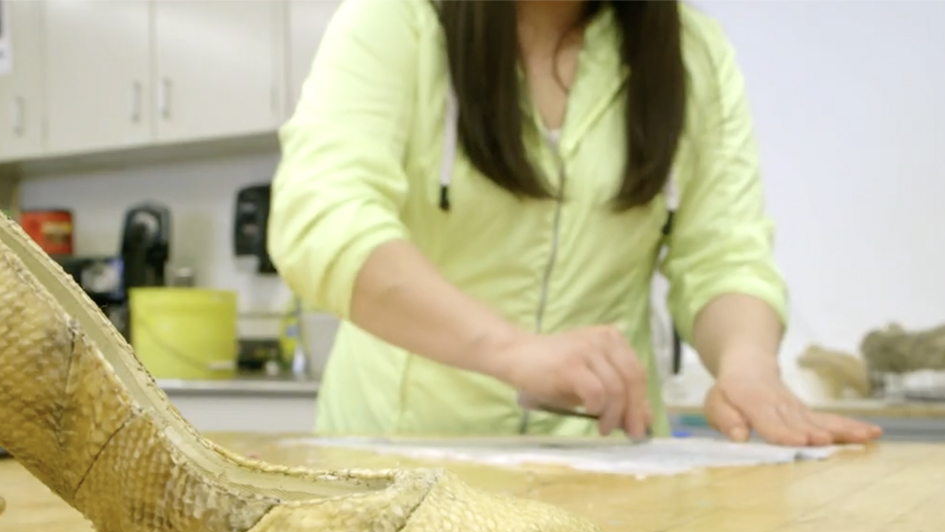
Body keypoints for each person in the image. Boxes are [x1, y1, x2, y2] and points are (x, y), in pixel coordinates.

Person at [267, 0, 882, 447]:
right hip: (402, 456)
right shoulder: (398, 19)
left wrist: (747, 366)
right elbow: (323, 217)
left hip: (608, 466)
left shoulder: (692, 52)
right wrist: (515, 351)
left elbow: (724, 255)